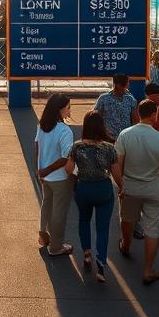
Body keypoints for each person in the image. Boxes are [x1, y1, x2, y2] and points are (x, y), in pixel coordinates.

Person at [115, 99, 159, 286]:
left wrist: (121, 185)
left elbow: (118, 163)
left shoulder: (125, 134)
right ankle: (148, 270)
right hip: (155, 189)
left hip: (130, 187)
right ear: (153, 115)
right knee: (152, 229)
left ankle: (126, 245)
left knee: (127, 218)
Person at [65, 110, 120, 282]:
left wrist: (79, 173)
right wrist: (122, 188)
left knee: (84, 220)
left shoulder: (77, 146)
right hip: (103, 189)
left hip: (84, 188)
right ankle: (101, 264)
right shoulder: (109, 148)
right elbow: (116, 174)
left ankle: (86, 253)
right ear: (101, 127)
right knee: (102, 228)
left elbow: (68, 169)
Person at [35, 93, 74, 256]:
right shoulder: (65, 131)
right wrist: (46, 170)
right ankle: (56, 247)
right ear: (60, 110)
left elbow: (36, 148)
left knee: (46, 206)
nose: (69, 111)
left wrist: (39, 170)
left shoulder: (42, 126)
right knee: (59, 213)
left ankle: (44, 236)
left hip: (45, 177)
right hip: (59, 178)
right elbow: (65, 158)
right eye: (68, 107)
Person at [94, 74, 140, 140]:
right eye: (127, 83)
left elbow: (135, 119)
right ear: (118, 85)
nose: (128, 85)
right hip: (108, 138)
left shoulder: (130, 99)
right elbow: (96, 117)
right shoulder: (104, 99)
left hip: (125, 138)